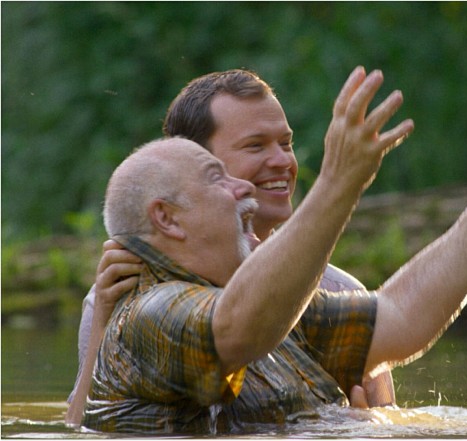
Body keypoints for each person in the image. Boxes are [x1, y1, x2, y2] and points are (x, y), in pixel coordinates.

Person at [81, 70, 467, 434]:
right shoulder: (145, 312)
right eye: (219, 177)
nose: (243, 189)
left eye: (286, 143)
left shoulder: (290, 307)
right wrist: (340, 182)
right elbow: (235, 329)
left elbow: (403, 316)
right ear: (166, 217)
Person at [66, 67, 400, 424]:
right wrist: (103, 317)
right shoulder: (122, 295)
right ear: (193, 161)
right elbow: (83, 426)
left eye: (285, 143)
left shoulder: (337, 289)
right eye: (255, 145)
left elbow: (385, 416)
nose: (283, 161)